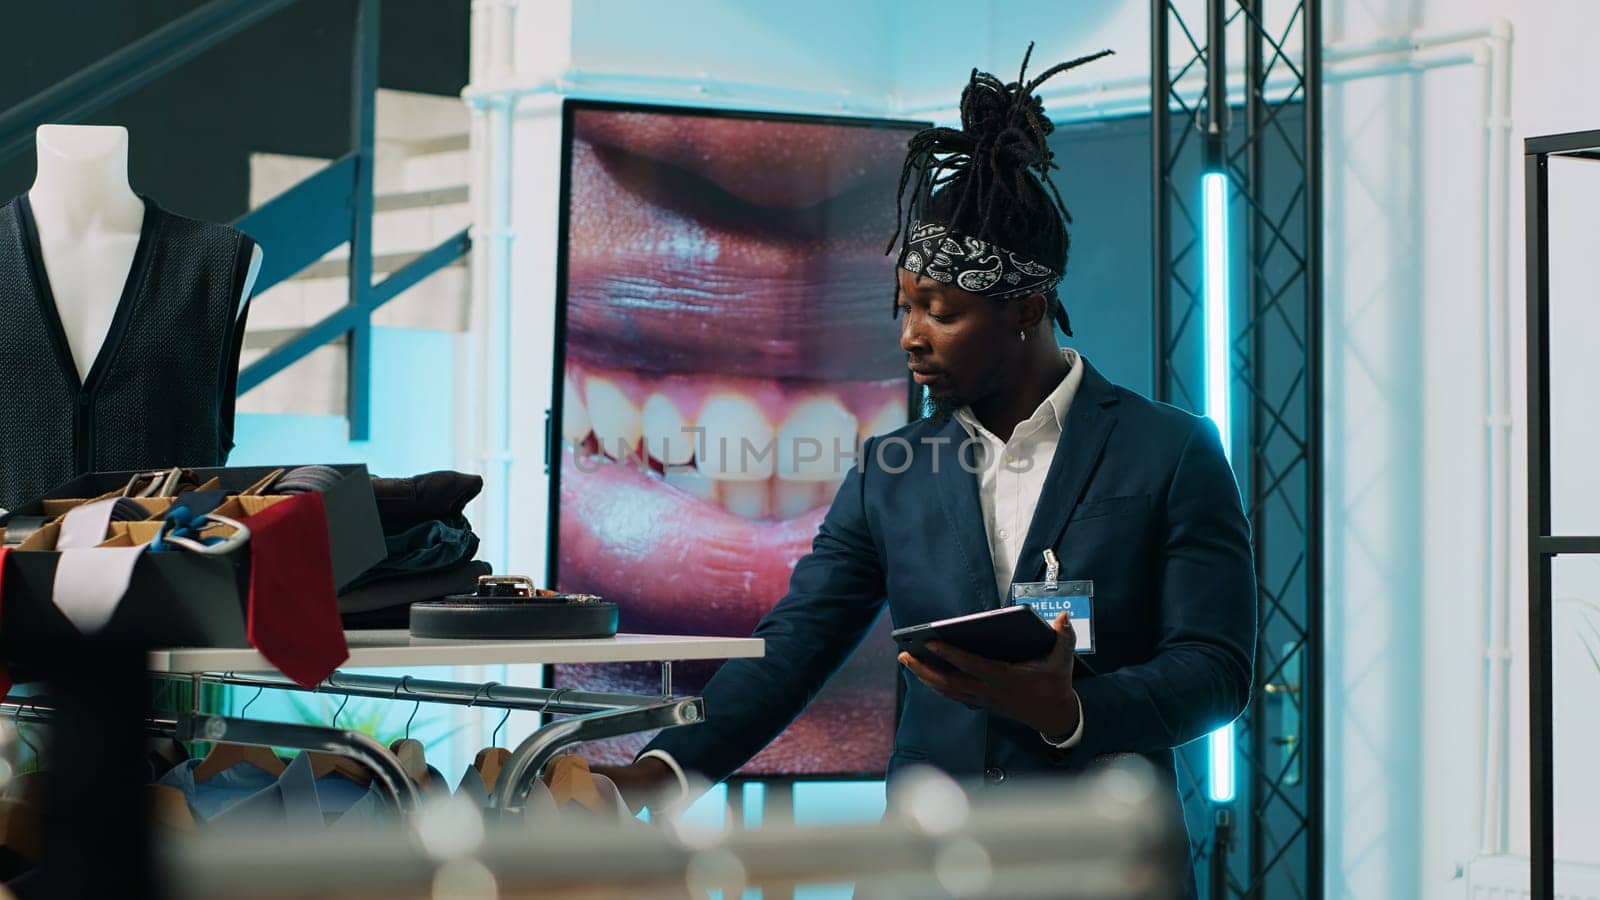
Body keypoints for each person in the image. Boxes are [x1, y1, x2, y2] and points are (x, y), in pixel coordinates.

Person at [585, 45, 1256, 891]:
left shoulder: (1172, 450)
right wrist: (664, 770)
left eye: (940, 310)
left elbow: (1216, 668)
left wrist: (1076, 710)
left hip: (1103, 870)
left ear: (1024, 308)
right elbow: (792, 650)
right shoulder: (891, 470)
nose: (910, 337)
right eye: (904, 307)